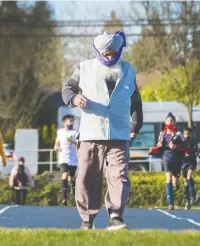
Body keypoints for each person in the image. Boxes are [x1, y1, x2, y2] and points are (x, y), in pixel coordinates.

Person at [62, 31, 143, 230]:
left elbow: (136, 101)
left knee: (119, 175)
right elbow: (67, 90)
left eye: (113, 53)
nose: (110, 57)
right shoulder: (84, 68)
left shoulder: (128, 70)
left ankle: (115, 215)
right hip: (91, 132)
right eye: (106, 53)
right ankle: (87, 219)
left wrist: (135, 125)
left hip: (119, 133)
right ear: (97, 51)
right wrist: (74, 99)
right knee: (87, 176)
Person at [156, 112, 184, 210]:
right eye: (168, 120)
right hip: (166, 158)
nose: (169, 122)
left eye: (171, 120)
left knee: (175, 182)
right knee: (168, 178)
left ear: (174, 122)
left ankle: (177, 183)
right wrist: (158, 144)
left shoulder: (179, 133)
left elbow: (184, 145)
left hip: (176, 159)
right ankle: (170, 204)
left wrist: (176, 146)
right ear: (165, 122)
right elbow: (158, 144)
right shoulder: (162, 133)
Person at [54, 115, 78, 207]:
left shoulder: (75, 132)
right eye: (69, 121)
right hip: (63, 158)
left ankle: (75, 196)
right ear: (65, 122)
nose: (71, 123)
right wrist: (56, 147)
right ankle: (64, 198)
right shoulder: (60, 132)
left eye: (72, 121)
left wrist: (72, 141)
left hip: (73, 159)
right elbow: (56, 145)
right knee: (64, 175)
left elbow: (79, 143)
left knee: (71, 178)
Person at [181, 127, 199, 209]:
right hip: (183, 164)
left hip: (191, 162)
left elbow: (197, 151)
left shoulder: (194, 142)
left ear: (190, 134)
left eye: (188, 134)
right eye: (185, 134)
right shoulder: (181, 142)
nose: (186, 135)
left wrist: (196, 153)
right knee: (185, 183)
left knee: (189, 177)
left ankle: (194, 194)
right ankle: (187, 201)